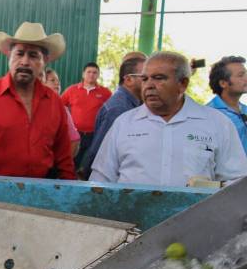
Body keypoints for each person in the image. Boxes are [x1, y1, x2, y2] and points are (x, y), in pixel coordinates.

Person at [90, 51, 247, 187]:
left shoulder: (217, 123)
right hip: (132, 213)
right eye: (145, 79)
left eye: (159, 78)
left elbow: (236, 182)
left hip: (198, 213)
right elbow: (101, 180)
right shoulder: (124, 123)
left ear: (183, 84)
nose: (149, 85)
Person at [0, 22, 75, 179]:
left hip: (40, 189)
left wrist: (67, 188)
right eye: (19, 54)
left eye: (33, 55)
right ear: (9, 56)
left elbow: (64, 158)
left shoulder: (54, 102)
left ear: (44, 61)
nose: (24, 62)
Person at [79, 52, 147, 178]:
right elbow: (100, 151)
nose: (151, 82)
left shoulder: (132, 104)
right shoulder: (119, 109)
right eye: (145, 77)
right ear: (128, 79)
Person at [61, 62, 112, 166]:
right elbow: (59, 106)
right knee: (72, 162)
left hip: (94, 135)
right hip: (75, 135)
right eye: (89, 72)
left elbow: (111, 110)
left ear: (98, 75)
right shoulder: (72, 90)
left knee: (90, 163)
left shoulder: (105, 92)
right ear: (83, 74)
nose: (91, 75)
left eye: (94, 72)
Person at [206, 56, 247, 154]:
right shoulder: (208, 114)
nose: (246, 78)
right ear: (223, 83)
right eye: (241, 75)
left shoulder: (245, 109)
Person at [43, 68, 80, 158]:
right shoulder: (31, 106)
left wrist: (63, 163)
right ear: (42, 83)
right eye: (52, 80)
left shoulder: (62, 110)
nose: (57, 83)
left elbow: (74, 140)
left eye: (58, 81)